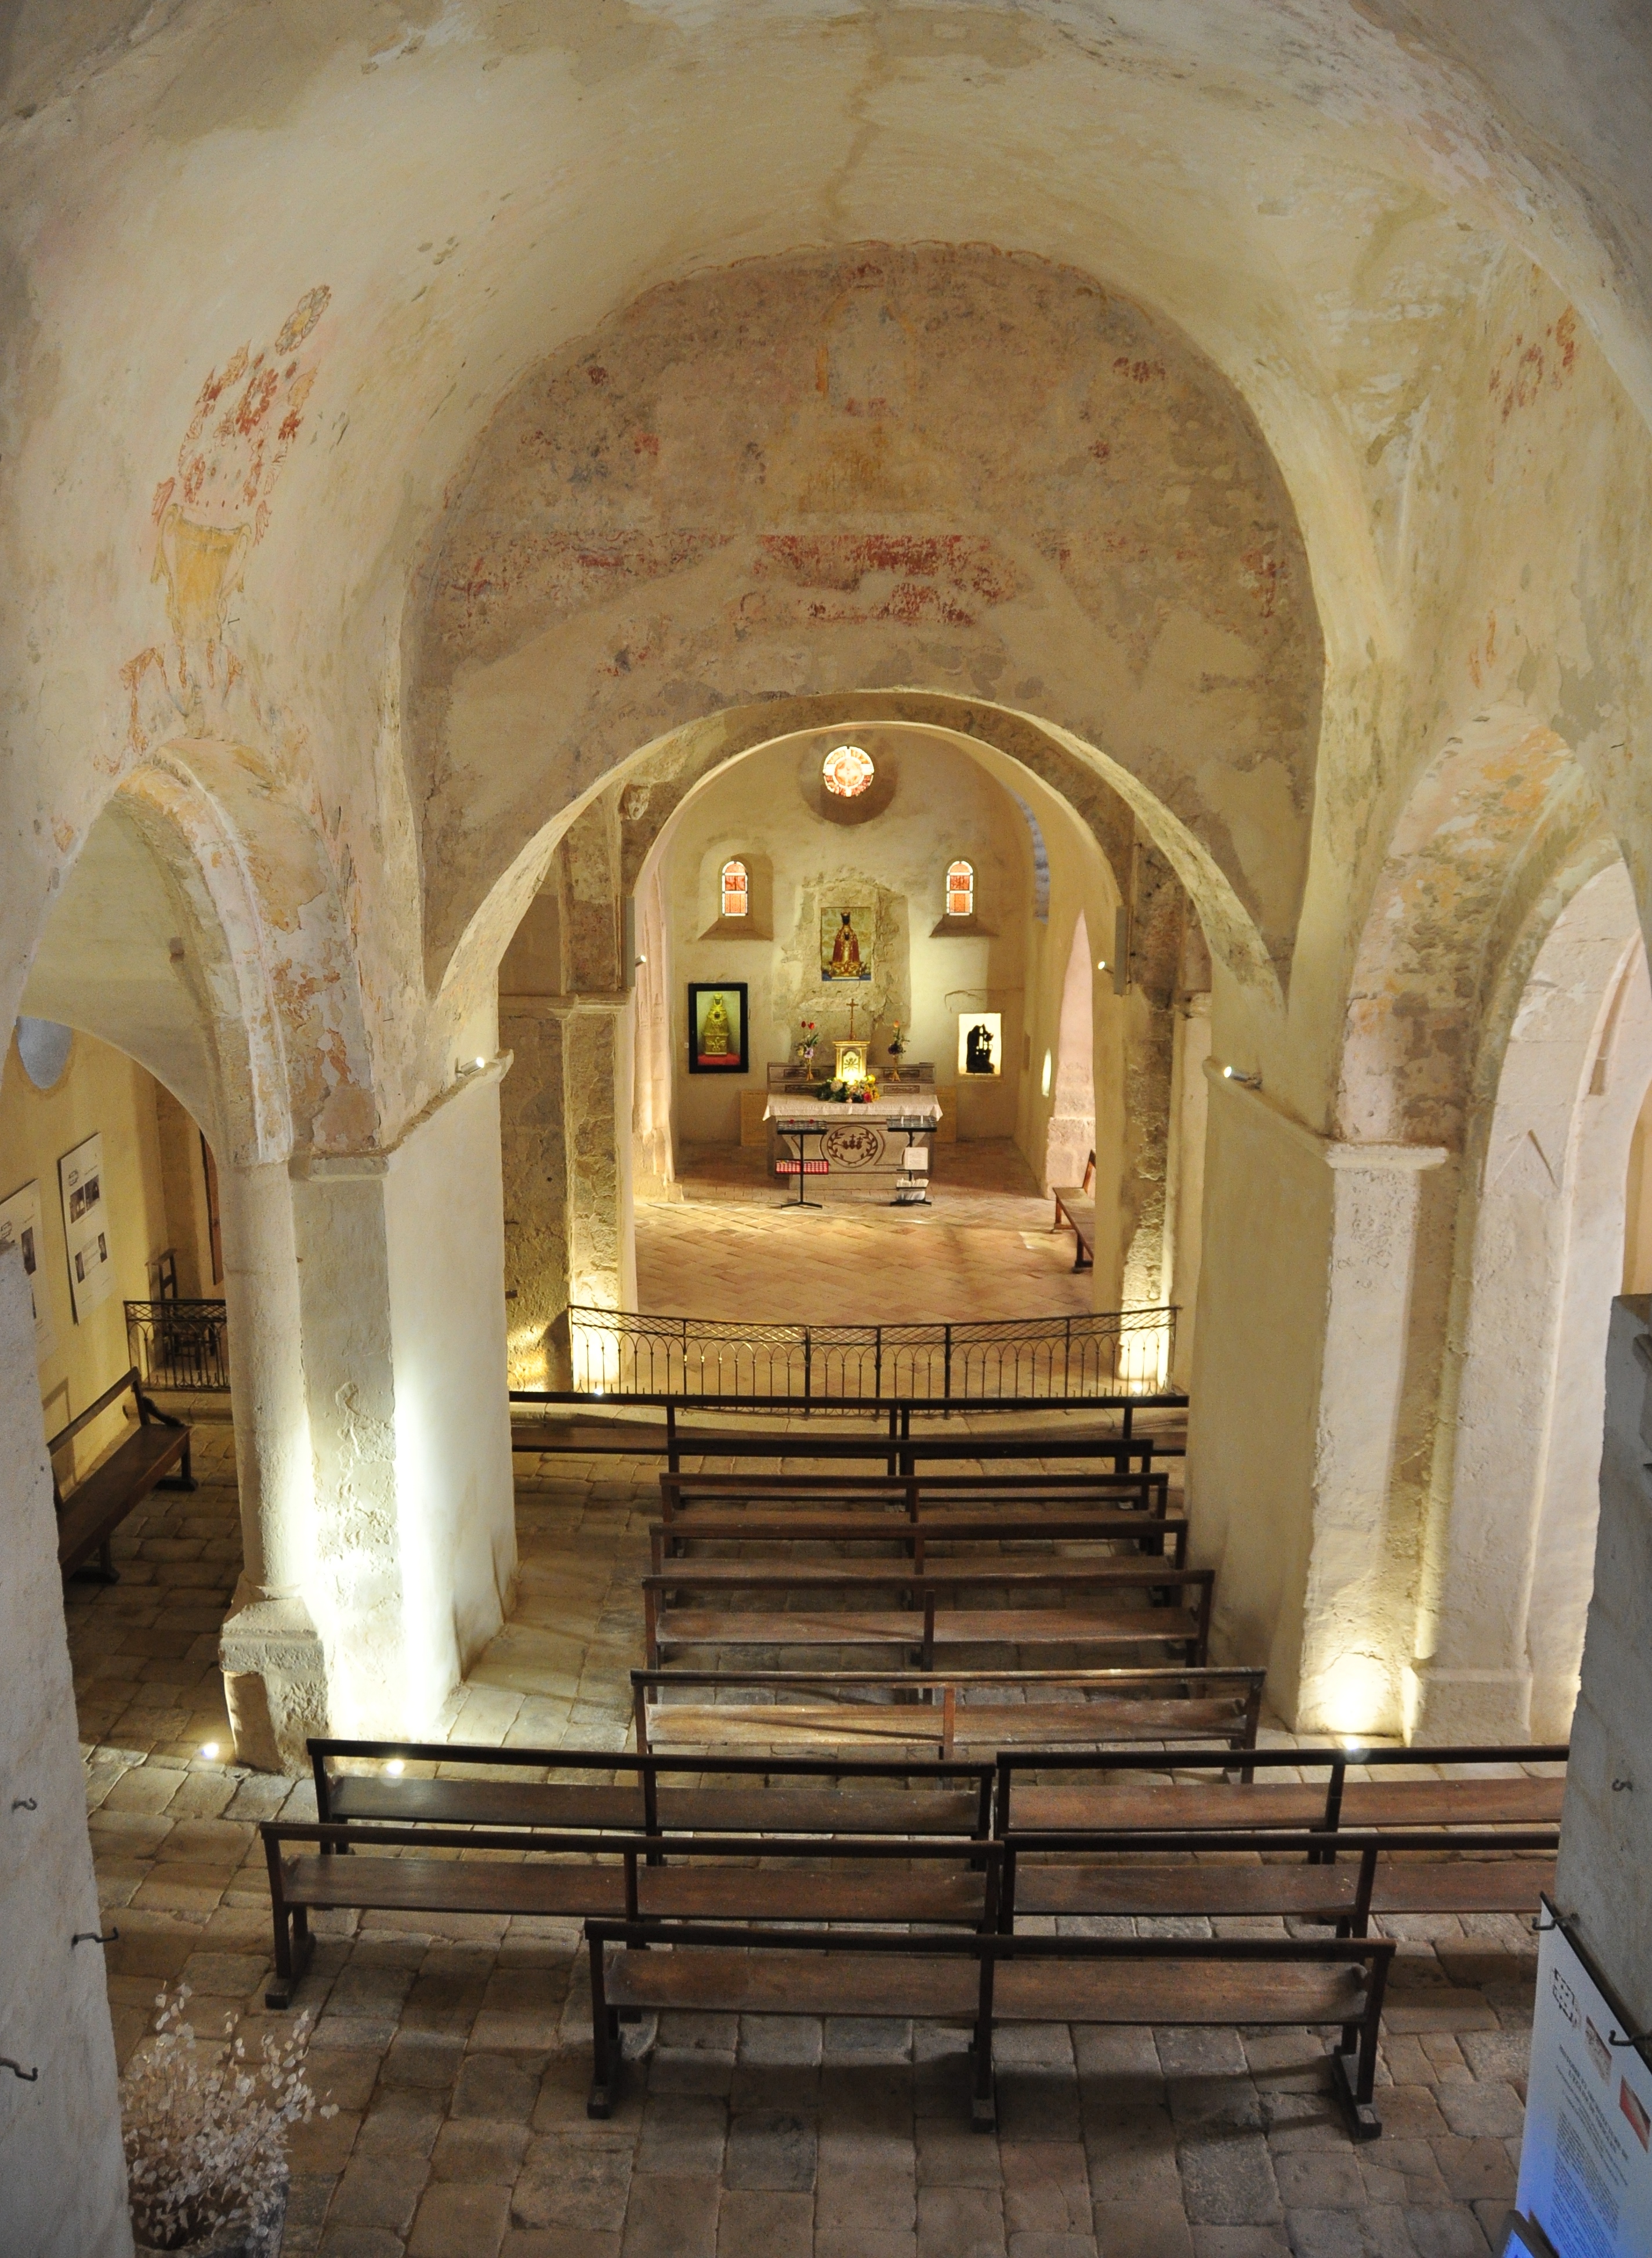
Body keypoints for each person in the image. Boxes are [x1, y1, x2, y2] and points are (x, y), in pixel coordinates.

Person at [828, 909, 863, 979]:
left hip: (850, 957)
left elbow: (855, 946)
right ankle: (843, 969)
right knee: (836, 965)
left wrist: (851, 942)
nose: (846, 920)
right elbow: (837, 947)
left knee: (854, 966)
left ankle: (848, 969)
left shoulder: (852, 933)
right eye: (844, 919)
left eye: (847, 918)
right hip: (841, 958)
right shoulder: (840, 933)